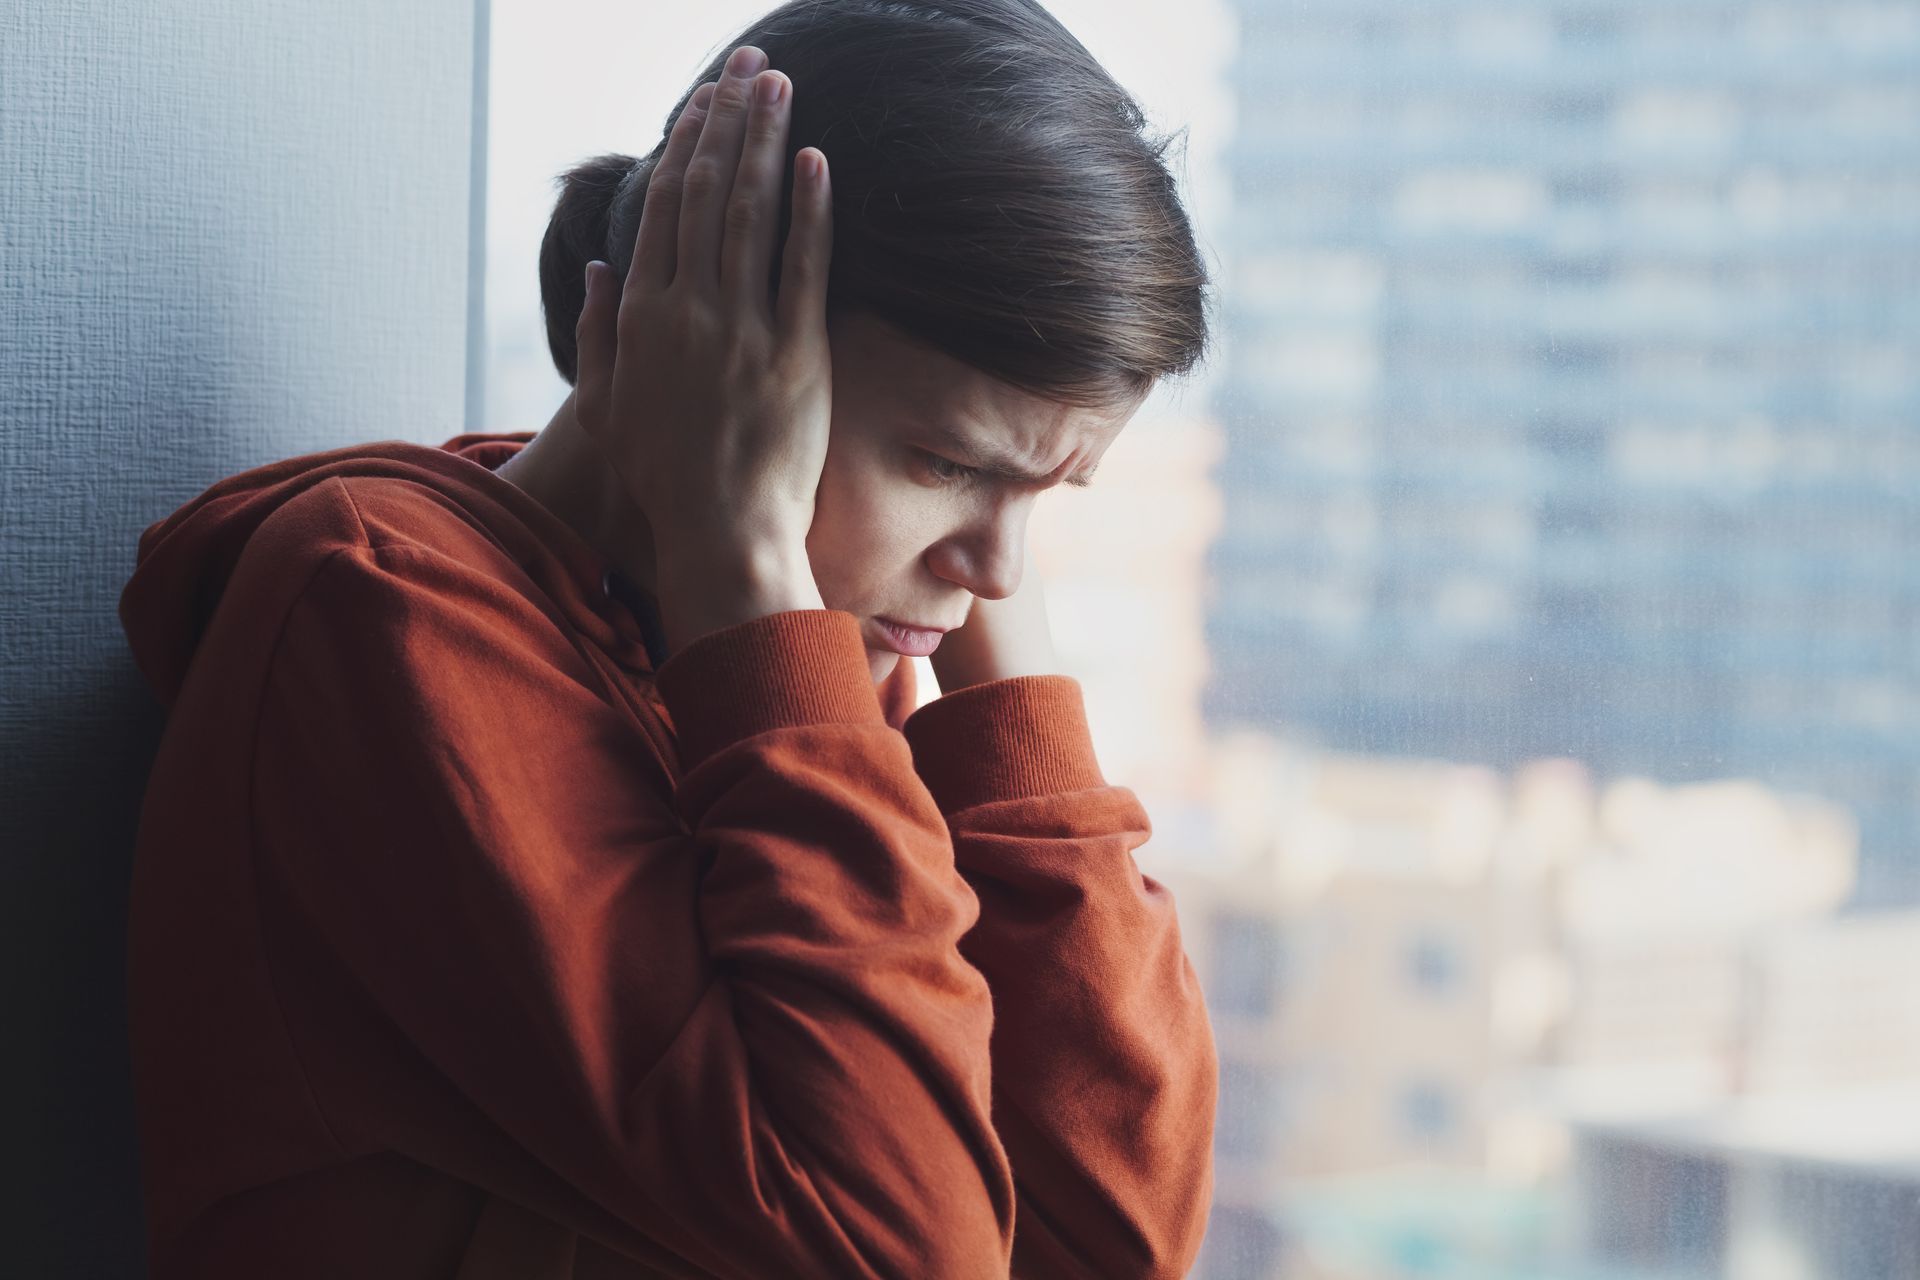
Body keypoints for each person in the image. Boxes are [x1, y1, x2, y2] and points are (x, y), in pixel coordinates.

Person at [116, 2, 1218, 1276]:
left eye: (1053, 492)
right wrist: (745, 559)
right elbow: (907, 1247)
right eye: (943, 462)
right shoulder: (379, 618)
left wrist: (993, 676)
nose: (995, 572)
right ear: (705, 354)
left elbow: (1114, 1239)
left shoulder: (812, 663)